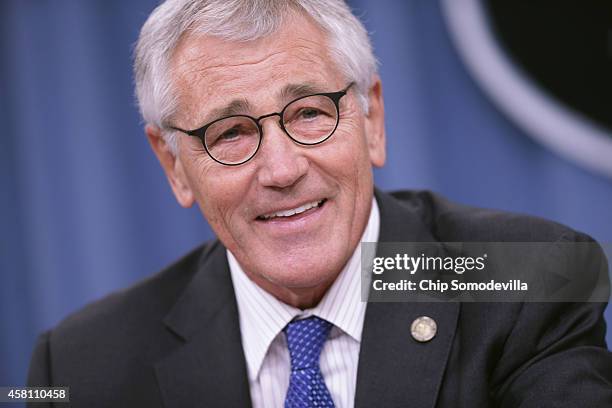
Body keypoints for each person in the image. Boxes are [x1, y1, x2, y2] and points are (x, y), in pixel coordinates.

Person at [27, 0, 612, 407]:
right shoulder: (83, 368)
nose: (281, 170)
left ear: (372, 120)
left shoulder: (528, 283)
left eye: (309, 114)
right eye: (230, 132)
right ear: (175, 165)